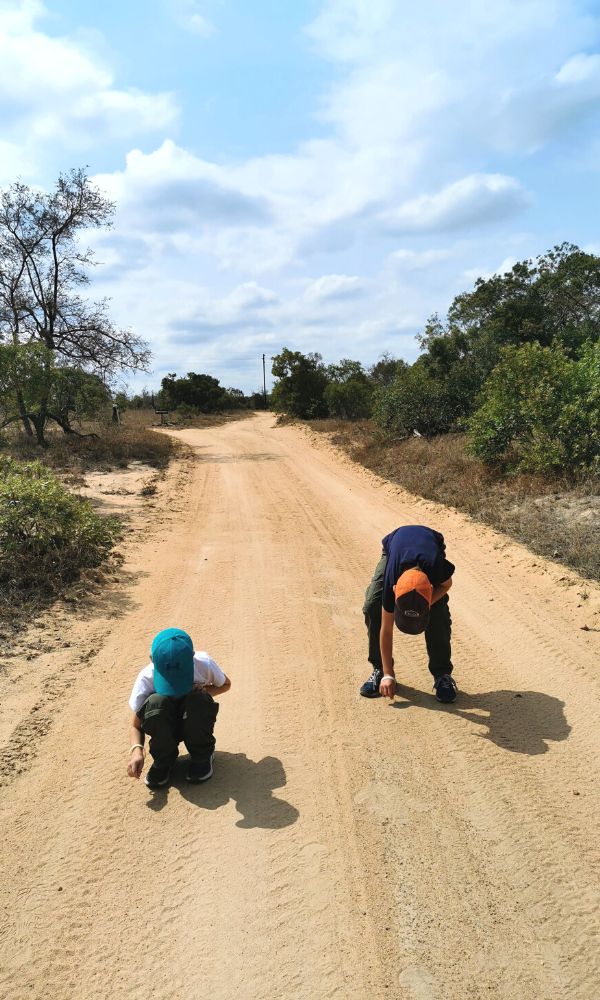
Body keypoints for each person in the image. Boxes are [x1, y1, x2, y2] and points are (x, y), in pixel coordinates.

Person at [360, 525, 457, 703]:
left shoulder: (436, 567)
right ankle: (380, 669)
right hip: (394, 546)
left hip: (430, 545)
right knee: (372, 606)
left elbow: (446, 584)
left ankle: (442, 675)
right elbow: (386, 629)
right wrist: (389, 674)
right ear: (395, 590)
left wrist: (428, 603)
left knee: (439, 614)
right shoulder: (392, 581)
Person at [127, 627, 231, 789]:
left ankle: (202, 755)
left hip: (193, 720)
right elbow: (135, 725)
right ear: (152, 660)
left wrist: (205, 690)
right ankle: (164, 760)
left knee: (198, 699)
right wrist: (137, 751)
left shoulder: (204, 664)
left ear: (192, 657)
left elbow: (225, 684)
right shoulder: (146, 678)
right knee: (155, 702)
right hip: (165, 726)